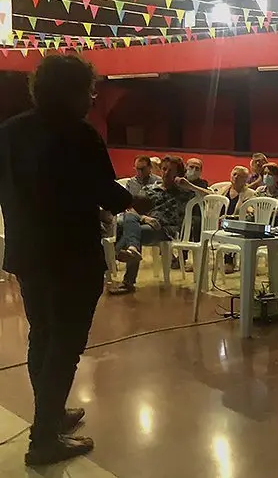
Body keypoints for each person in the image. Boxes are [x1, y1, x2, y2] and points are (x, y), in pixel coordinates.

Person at [0, 55, 132, 465]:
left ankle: (51, 414)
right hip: (72, 256)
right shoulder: (79, 135)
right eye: (89, 91)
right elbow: (108, 194)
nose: (93, 100)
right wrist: (136, 201)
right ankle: (44, 440)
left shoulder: (8, 132)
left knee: (42, 335)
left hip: (28, 253)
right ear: (71, 92)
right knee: (64, 346)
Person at [109, 155, 196, 294]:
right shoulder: (150, 189)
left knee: (127, 230)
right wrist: (145, 218)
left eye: (171, 170)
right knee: (130, 220)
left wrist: (189, 185)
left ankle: (121, 266)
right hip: (145, 224)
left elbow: (208, 195)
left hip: (164, 229)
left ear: (178, 174)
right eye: (164, 169)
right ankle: (132, 250)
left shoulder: (183, 192)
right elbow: (132, 209)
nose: (166, 173)